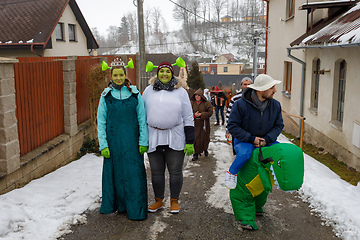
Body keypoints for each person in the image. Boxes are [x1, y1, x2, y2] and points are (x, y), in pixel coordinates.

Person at [97, 59, 149, 220]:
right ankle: (120, 205)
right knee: (116, 174)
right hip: (113, 143)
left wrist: (143, 141)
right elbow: (101, 121)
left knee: (133, 174)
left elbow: (142, 118)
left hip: (132, 142)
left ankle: (135, 208)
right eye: (115, 75)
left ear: (125, 75)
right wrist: (103, 144)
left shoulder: (134, 94)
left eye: (121, 75)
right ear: (111, 76)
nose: (118, 78)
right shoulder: (105, 96)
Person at [142, 61, 195, 214]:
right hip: (154, 135)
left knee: (175, 171)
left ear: (172, 74)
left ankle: (174, 200)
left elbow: (188, 116)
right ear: (157, 73)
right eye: (161, 71)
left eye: (167, 71)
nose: (164, 74)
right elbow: (141, 115)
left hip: (175, 135)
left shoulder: (181, 92)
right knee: (156, 172)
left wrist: (190, 140)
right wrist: (142, 138)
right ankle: (158, 200)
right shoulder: (148, 90)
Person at [225, 74, 284, 192]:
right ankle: (231, 173)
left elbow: (279, 126)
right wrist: (252, 139)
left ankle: (281, 179)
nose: (275, 90)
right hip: (244, 140)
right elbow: (232, 126)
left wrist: (266, 139)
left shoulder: (275, 105)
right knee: (245, 153)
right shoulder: (240, 104)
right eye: (272, 87)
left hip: (266, 140)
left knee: (281, 152)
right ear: (261, 89)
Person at [225, 77, 253, 154]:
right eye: (245, 84)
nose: (247, 86)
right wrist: (228, 130)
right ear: (241, 85)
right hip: (237, 130)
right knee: (239, 152)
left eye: (249, 84)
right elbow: (229, 114)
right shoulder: (235, 98)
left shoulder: (255, 98)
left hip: (252, 131)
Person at [190, 89, 213, 161]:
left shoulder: (206, 103)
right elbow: (187, 112)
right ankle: (195, 153)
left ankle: (205, 149)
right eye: (196, 95)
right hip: (195, 124)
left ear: (201, 96)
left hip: (204, 124)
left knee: (204, 138)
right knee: (195, 138)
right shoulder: (191, 103)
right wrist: (194, 115)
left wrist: (201, 114)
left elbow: (210, 112)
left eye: (198, 95)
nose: (197, 97)